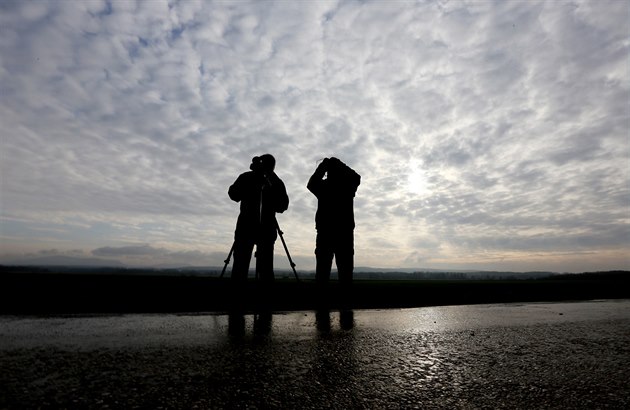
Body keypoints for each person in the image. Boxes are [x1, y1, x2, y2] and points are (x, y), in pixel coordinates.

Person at [229, 154, 289, 284]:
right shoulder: (247, 178)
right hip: (247, 228)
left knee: (264, 268)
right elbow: (233, 194)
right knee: (240, 265)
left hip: (262, 230)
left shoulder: (274, 182)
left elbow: (283, 205)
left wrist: (270, 180)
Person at [307, 157, 360, 289]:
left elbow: (311, 183)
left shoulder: (324, 186)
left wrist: (323, 166)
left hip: (326, 232)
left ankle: (322, 305)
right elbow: (356, 176)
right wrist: (340, 164)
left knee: (323, 272)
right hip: (344, 233)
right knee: (345, 272)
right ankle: (345, 304)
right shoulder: (348, 186)